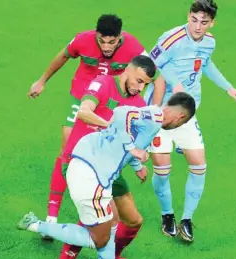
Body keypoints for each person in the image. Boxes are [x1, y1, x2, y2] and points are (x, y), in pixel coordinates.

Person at [17, 92, 196, 259]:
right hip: (91, 176)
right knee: (97, 238)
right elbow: (121, 114)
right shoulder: (156, 116)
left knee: (111, 222)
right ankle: (36, 225)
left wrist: (137, 163)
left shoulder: (152, 119)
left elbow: (120, 137)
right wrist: (133, 148)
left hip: (90, 168)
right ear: (179, 118)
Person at [27, 14, 162, 222]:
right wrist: (41, 81)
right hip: (82, 97)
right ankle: (52, 216)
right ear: (96, 35)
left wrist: (153, 110)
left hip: (108, 98)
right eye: (102, 40)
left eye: (112, 42)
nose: (106, 47)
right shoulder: (83, 39)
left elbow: (154, 74)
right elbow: (63, 56)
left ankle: (96, 193)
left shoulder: (132, 45)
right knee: (67, 151)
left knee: (106, 148)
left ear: (120, 37)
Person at [44, 55, 155, 259]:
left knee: (134, 220)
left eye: (146, 84)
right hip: (82, 163)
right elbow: (84, 112)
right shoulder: (103, 83)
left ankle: (112, 257)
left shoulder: (137, 102)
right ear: (128, 69)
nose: (140, 88)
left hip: (109, 170)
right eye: (138, 80)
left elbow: (129, 139)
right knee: (99, 222)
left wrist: (137, 164)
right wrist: (110, 127)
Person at [144, 0, 236, 242]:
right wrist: (175, 84)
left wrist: (228, 88)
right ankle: (167, 214)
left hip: (188, 113)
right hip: (163, 112)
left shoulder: (209, 42)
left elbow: (206, 65)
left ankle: (186, 219)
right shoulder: (171, 38)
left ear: (212, 23)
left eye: (204, 22)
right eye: (194, 19)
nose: (198, 26)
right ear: (188, 16)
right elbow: (152, 63)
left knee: (199, 165)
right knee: (162, 170)